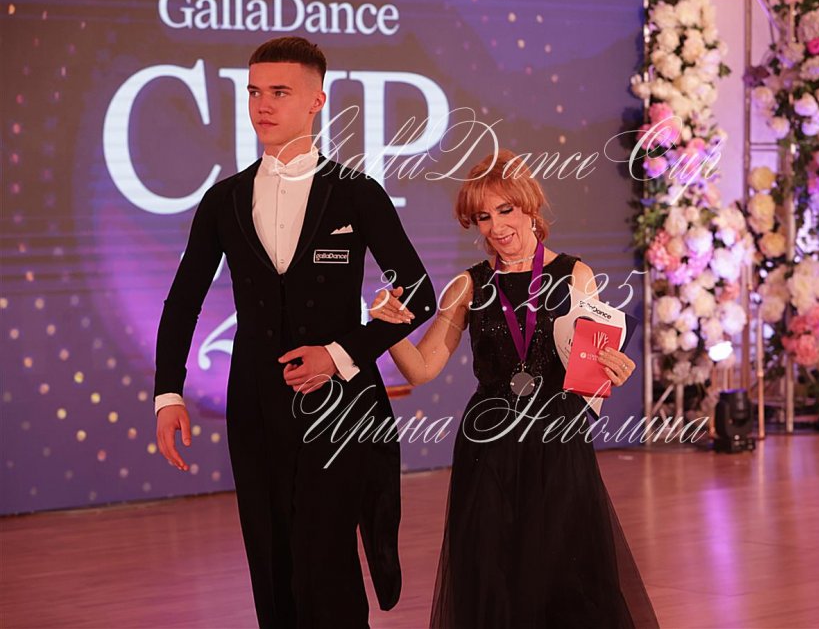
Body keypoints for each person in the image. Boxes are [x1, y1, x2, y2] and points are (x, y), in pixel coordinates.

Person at [153, 36, 435, 628]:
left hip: (341, 404)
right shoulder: (224, 200)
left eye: (279, 92)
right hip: (254, 404)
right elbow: (183, 302)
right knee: (271, 556)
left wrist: (340, 353)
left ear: (316, 100)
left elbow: (419, 293)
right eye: (254, 91)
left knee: (326, 560)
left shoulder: (357, 193)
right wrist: (168, 394)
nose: (263, 104)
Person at [368, 150, 660, 628]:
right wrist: (388, 328)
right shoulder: (467, 286)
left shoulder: (575, 275)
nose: (496, 227)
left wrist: (615, 368)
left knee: (563, 573)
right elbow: (421, 369)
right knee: (493, 575)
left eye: (505, 210)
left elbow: (593, 366)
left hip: (558, 442)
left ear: (530, 205)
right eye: (483, 216)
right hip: (490, 446)